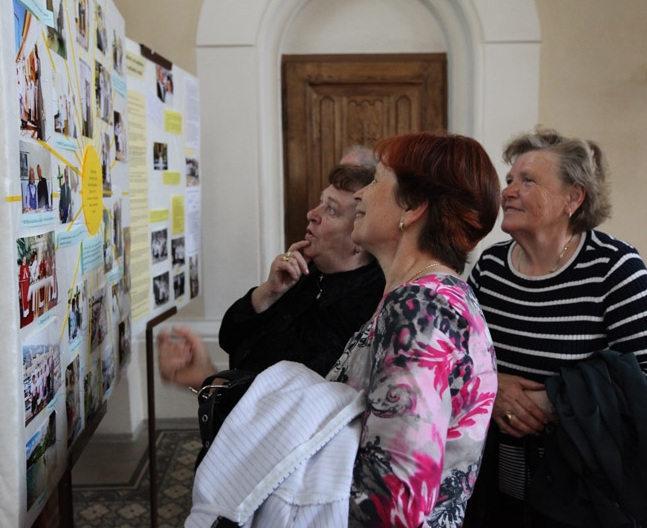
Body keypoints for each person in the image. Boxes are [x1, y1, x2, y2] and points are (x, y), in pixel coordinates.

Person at [180, 132, 502, 527]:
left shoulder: (419, 307)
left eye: (378, 181)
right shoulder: (432, 295)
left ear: (413, 207)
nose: (363, 195)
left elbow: (394, 502)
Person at [466, 127, 647, 527]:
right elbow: (456, 361)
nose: (508, 192)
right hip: (496, 485)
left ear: (573, 197)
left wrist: (552, 403)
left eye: (528, 180)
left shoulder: (612, 266)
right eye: (510, 180)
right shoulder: (489, 269)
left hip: (583, 495)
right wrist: (494, 388)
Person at [159, 161, 384, 388]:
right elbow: (229, 338)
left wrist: (207, 380)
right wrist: (268, 291)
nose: (312, 214)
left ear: (360, 237)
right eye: (320, 202)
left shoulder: (369, 304)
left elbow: (289, 396)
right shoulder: (307, 271)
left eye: (331, 209)